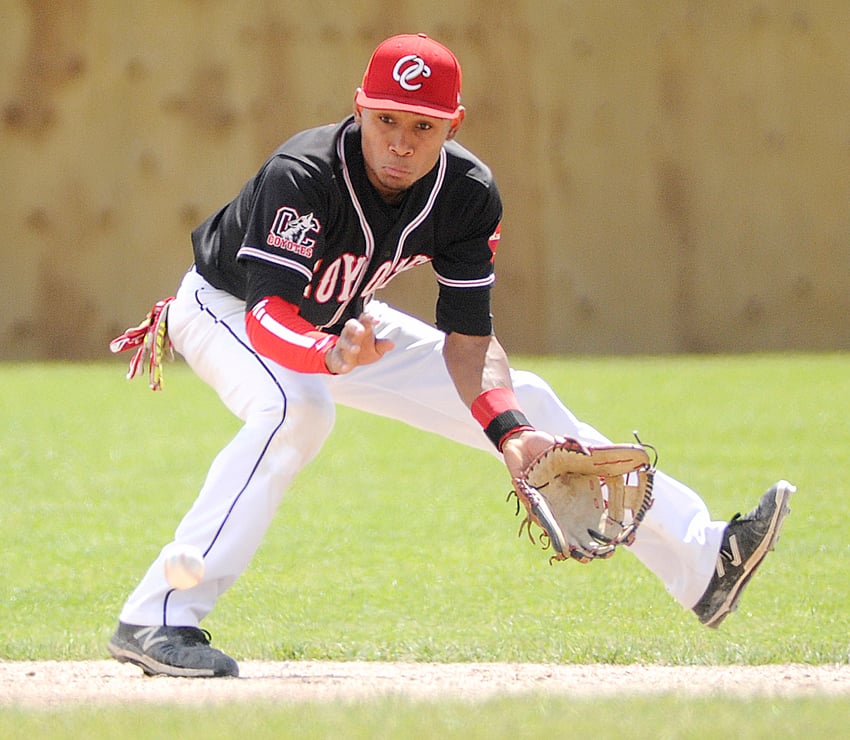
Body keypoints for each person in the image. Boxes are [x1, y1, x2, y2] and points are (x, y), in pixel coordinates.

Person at [107, 33, 793, 678]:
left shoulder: (466, 196)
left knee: (530, 399)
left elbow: (471, 344)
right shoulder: (305, 174)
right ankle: (157, 616)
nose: (401, 143)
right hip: (226, 309)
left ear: (453, 125)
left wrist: (510, 431)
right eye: (387, 120)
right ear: (360, 109)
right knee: (296, 409)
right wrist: (328, 355)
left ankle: (705, 560)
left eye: (423, 127)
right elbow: (267, 319)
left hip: (345, 326)